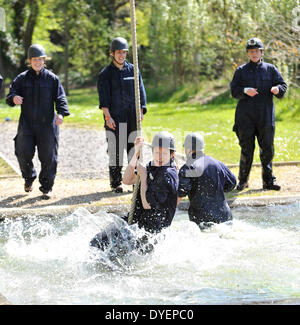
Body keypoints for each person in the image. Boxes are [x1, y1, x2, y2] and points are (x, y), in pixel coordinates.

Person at [90, 131, 179, 253]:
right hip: (137, 221)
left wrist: (143, 177)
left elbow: (147, 204)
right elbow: (127, 180)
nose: (159, 157)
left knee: (111, 252)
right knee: (97, 242)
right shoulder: (153, 166)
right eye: (156, 152)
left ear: (172, 154)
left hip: (150, 231)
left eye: (163, 153)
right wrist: (136, 153)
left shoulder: (168, 175)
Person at [6, 44, 69, 199]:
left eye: (40, 59)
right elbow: (11, 94)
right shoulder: (22, 78)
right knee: (23, 153)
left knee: (48, 157)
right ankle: (29, 178)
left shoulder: (52, 79)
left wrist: (61, 114)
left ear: (44, 60)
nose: (37, 62)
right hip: (26, 124)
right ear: (30, 61)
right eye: (34, 59)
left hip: (47, 125)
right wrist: (14, 98)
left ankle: (46, 188)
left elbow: (61, 98)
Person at [230, 37, 287, 191]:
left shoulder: (271, 69)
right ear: (248, 53)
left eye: (257, 51)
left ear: (261, 52)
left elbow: (283, 85)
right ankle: (242, 181)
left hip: (265, 117)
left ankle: (268, 181)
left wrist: (278, 89)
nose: (254, 53)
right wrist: (244, 90)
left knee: (267, 149)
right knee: (246, 150)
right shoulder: (241, 71)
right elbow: (233, 90)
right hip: (245, 118)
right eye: (251, 51)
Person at [97, 37, 147, 193]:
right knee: (115, 151)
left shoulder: (133, 69)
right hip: (115, 119)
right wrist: (108, 117)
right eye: (119, 52)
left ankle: (135, 181)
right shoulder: (105, 74)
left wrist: (141, 111)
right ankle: (116, 183)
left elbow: (141, 93)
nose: (122, 56)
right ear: (112, 53)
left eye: (124, 52)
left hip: (132, 117)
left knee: (134, 150)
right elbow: (103, 99)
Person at [177, 133, 236, 230]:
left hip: (201, 219)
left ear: (188, 149)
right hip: (225, 217)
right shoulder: (218, 164)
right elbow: (232, 184)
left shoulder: (187, 168)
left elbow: (180, 193)